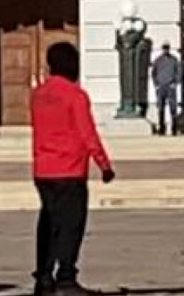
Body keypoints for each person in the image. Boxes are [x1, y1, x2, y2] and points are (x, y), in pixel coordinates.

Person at [31, 42, 116, 296]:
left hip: (43, 169)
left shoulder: (38, 94)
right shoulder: (75, 95)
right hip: (69, 168)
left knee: (48, 223)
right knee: (70, 225)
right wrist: (104, 164)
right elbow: (86, 133)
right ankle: (66, 276)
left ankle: (43, 276)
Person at [152, 43, 182, 136]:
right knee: (161, 108)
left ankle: (174, 128)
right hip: (161, 87)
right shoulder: (158, 60)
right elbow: (154, 72)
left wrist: (175, 83)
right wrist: (156, 84)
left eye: (167, 48)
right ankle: (162, 128)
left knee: (173, 108)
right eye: (164, 48)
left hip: (170, 86)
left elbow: (178, 72)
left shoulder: (174, 60)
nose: (166, 50)